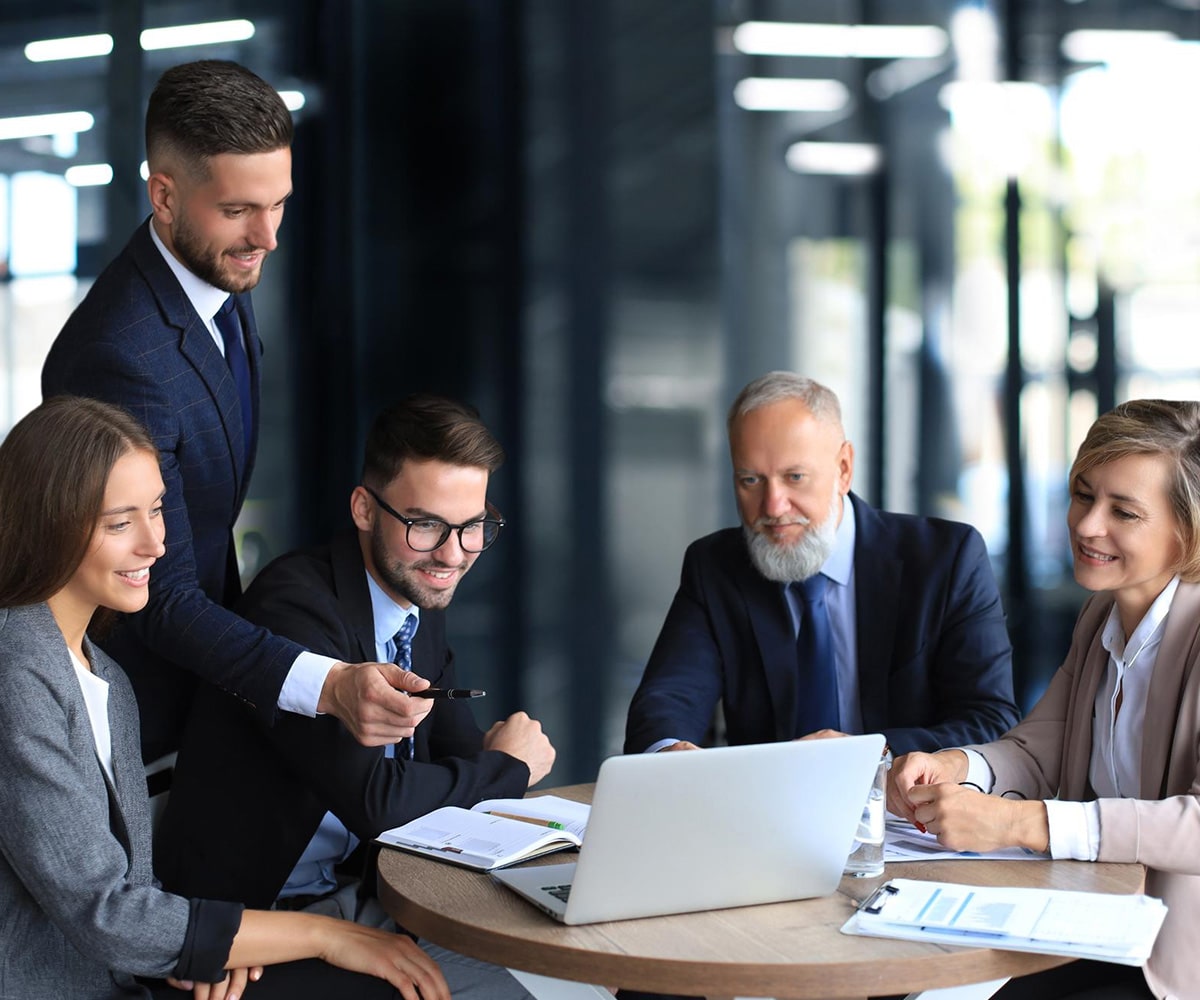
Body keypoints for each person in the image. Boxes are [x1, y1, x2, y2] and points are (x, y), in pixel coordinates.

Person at [0, 395, 450, 1000]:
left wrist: (201, 950)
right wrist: (323, 936)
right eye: (118, 523)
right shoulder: (17, 674)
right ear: (46, 523)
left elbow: (134, 903)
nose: (155, 544)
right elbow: (106, 914)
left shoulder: (101, 672)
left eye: (157, 511)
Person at [41, 60, 421, 762]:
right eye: (240, 210)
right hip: (138, 721)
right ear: (164, 194)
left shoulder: (213, 276)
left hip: (203, 686)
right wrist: (329, 684)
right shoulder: (121, 358)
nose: (268, 236)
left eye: (278, 203)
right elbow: (155, 593)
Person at [156, 394, 556, 998]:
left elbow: (458, 755)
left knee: (558, 980)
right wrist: (511, 767)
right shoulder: (294, 607)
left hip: (368, 900)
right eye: (426, 525)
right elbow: (380, 801)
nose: (452, 554)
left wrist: (488, 770)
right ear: (364, 509)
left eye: (472, 527)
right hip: (258, 927)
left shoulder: (417, 591)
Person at [888, 399, 1200, 1000]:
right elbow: (1039, 751)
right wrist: (958, 766)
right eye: (1084, 495)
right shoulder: (1101, 614)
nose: (1086, 526)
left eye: (1123, 512)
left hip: (1172, 961)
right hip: (1095, 922)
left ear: (1188, 532)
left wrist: (1021, 822)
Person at [624, 370, 1020, 757]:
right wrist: (668, 752)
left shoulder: (946, 559)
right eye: (750, 481)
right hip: (765, 810)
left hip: (903, 812)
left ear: (844, 469)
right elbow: (669, 698)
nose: (773, 507)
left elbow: (989, 719)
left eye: (794, 477)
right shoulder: (715, 566)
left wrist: (867, 753)